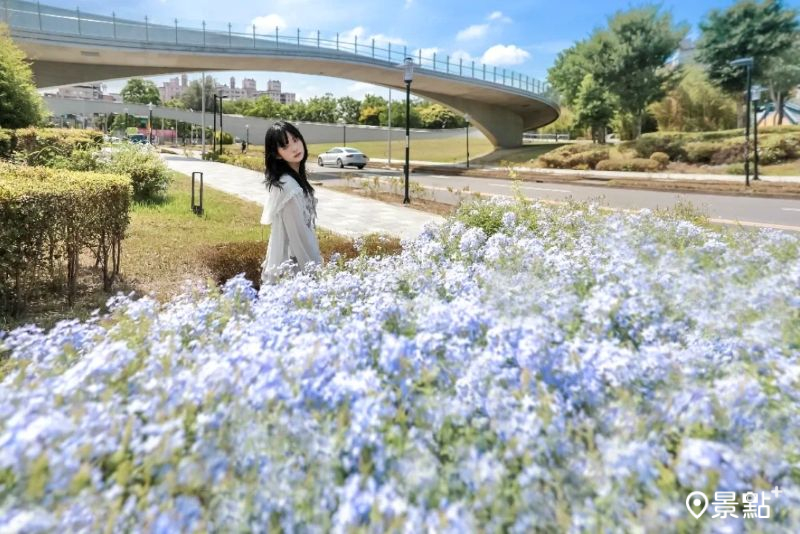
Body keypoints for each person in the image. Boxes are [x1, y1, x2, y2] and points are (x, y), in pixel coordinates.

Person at [260, 121, 322, 285]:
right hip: (293, 272)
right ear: (277, 154)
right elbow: (299, 236)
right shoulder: (289, 187)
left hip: (292, 266)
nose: (295, 148)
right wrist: (315, 274)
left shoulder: (293, 180)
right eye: (285, 146)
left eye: (295, 140)